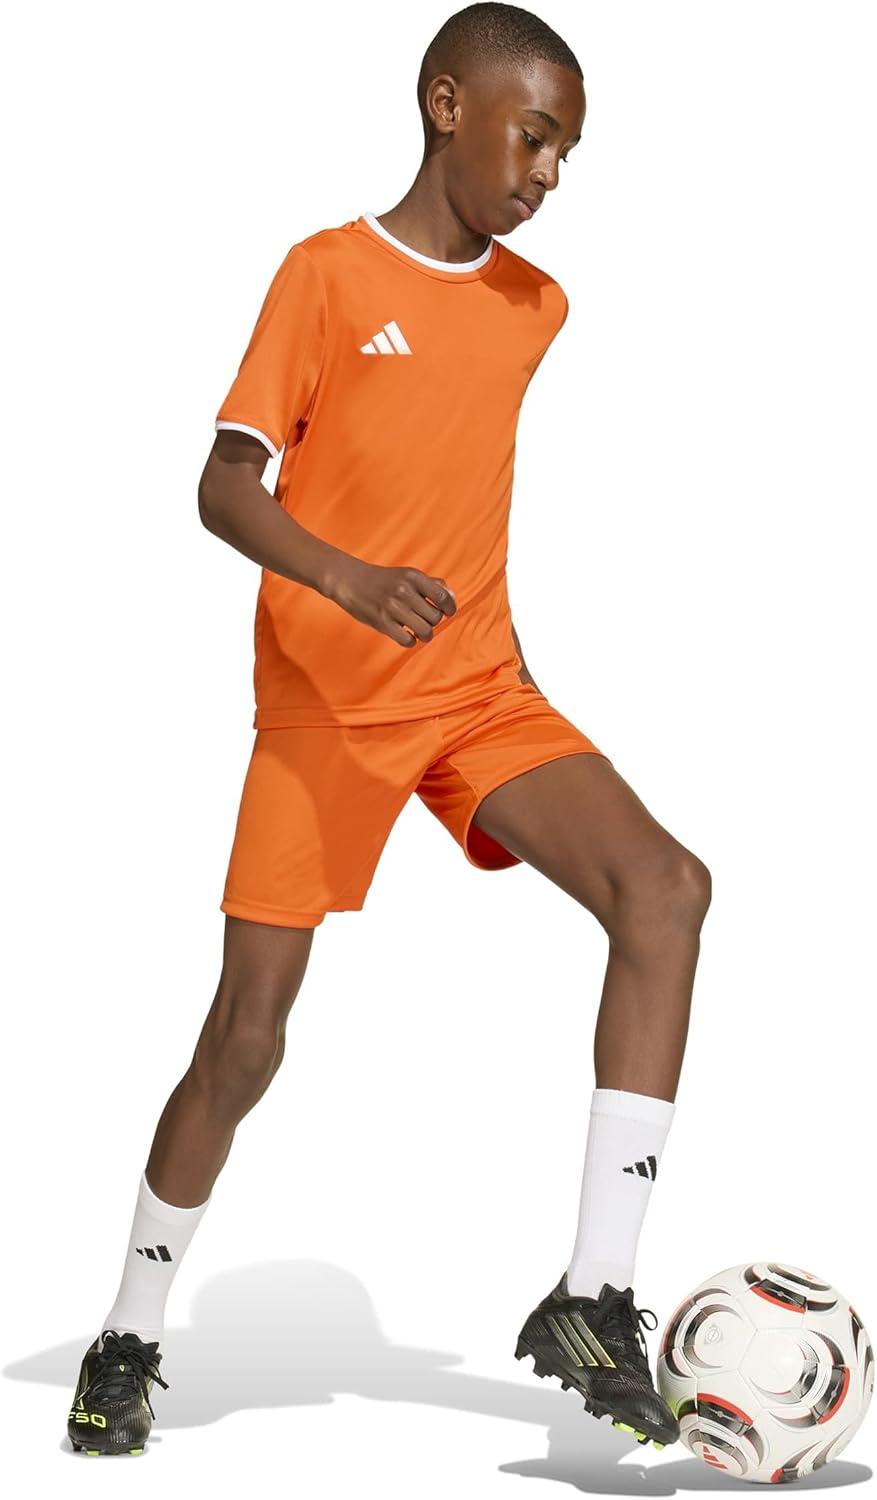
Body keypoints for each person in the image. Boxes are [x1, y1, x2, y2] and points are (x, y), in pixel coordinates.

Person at [67, 1, 711, 1458]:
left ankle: (594, 1293)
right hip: (327, 707)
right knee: (246, 1040)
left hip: (475, 691)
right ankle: (128, 1331)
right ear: (446, 105)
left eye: (567, 152)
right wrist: (349, 579)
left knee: (666, 891)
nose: (548, 174)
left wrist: (461, 627)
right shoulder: (324, 273)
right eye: (532, 136)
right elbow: (222, 487)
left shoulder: (536, 307)